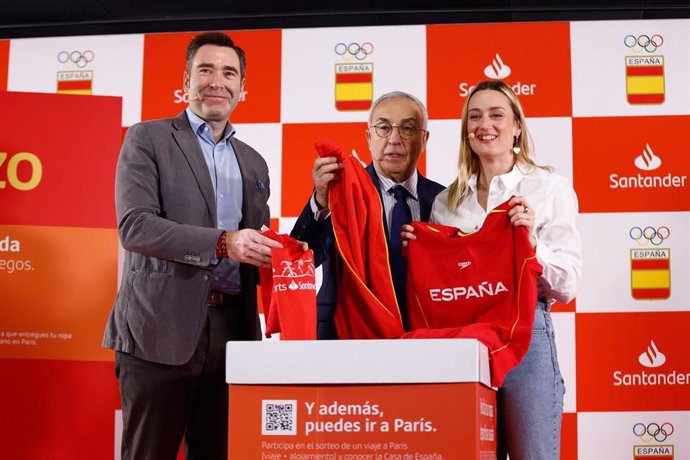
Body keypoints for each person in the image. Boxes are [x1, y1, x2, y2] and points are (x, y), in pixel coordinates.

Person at [102, 31, 282, 460]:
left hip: (233, 332)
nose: (216, 81)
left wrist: (314, 210)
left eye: (228, 72)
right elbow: (136, 227)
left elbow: (257, 240)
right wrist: (224, 243)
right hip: (158, 330)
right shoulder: (147, 138)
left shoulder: (254, 160)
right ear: (186, 80)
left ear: (241, 88)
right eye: (205, 70)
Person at [404, 80, 581, 459]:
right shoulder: (446, 202)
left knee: (532, 454)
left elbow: (567, 284)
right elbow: (442, 278)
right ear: (466, 130)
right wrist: (419, 250)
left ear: (517, 126)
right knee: (467, 452)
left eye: (497, 115)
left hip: (525, 331)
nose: (485, 124)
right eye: (475, 116)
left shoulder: (548, 188)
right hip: (463, 336)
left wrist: (529, 241)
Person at [290, 91, 445, 339]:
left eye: (407, 128)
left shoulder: (444, 200)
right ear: (368, 137)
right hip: (344, 337)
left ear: (424, 140)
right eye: (384, 127)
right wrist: (321, 200)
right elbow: (304, 258)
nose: (394, 139)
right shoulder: (341, 191)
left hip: (424, 337)